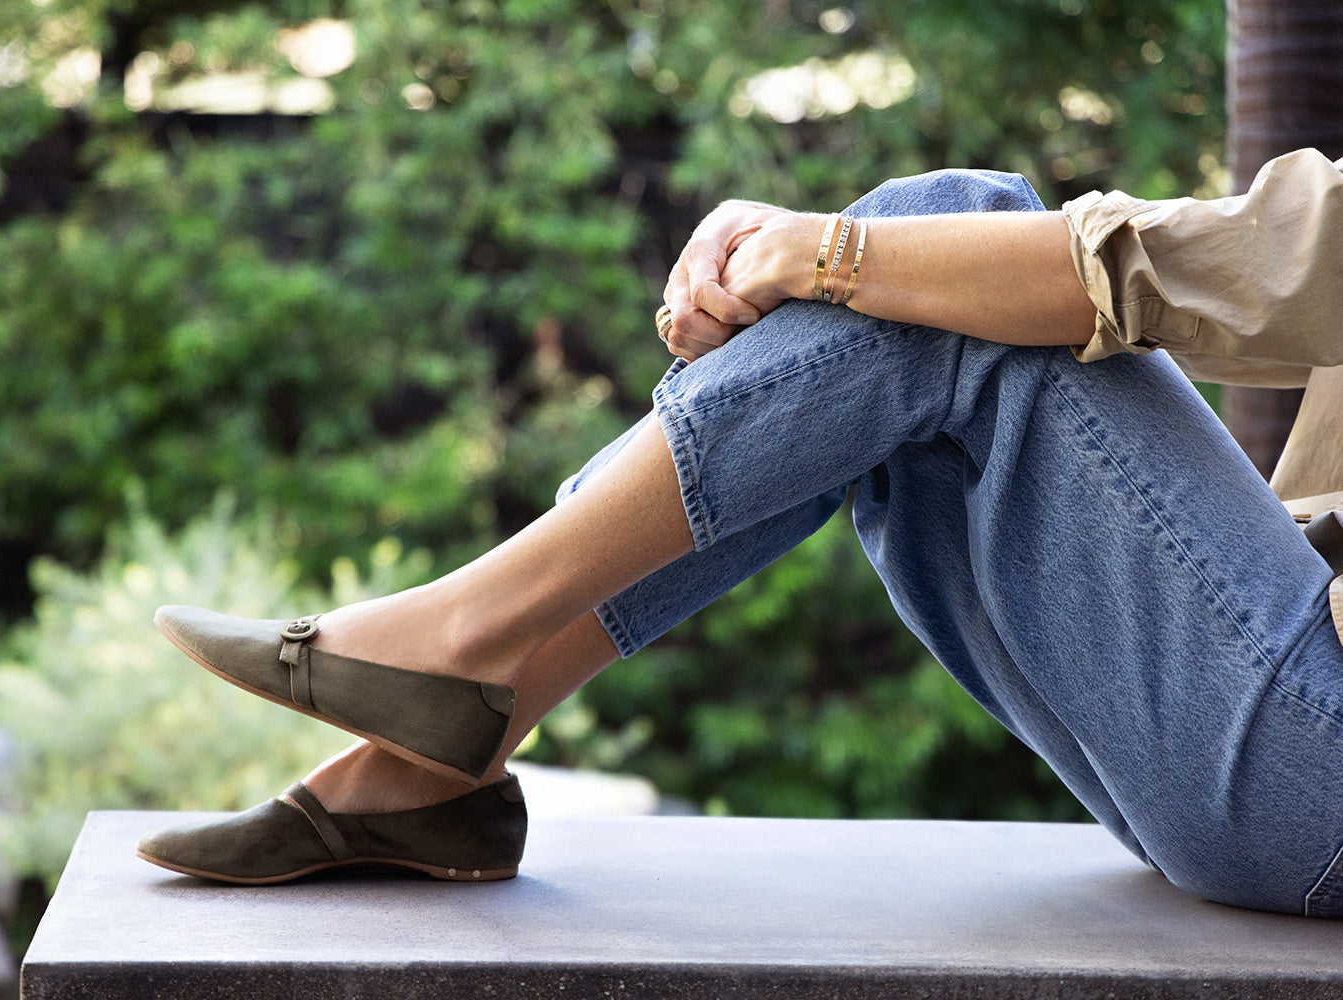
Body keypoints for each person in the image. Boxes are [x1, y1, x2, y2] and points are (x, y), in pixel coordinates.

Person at [137, 148, 1343, 917]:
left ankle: (456, 643)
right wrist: (834, 268)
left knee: (947, 241)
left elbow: (1243, 269)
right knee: (931, 276)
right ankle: (441, 745)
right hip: (1290, 771)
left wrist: (823, 251)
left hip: (1316, 787)